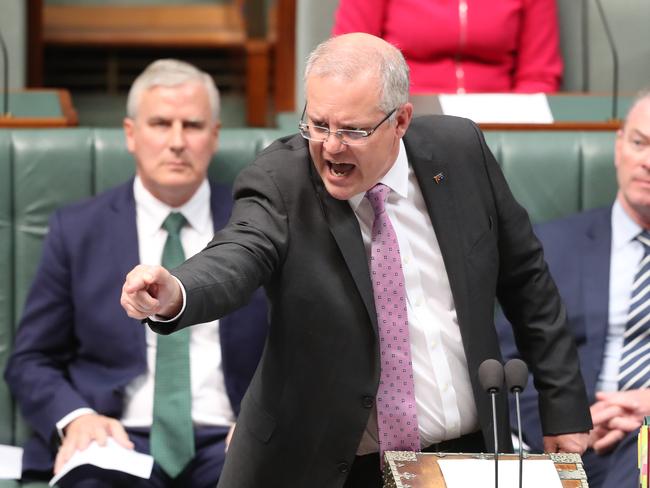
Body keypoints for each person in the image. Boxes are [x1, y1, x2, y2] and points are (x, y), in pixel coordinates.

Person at [121, 34, 590, 488]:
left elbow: (529, 283)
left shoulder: (460, 151)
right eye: (318, 124)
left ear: (401, 120)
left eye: (353, 130)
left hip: (460, 456)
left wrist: (563, 406)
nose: (331, 147)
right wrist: (177, 292)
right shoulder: (282, 179)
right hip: (330, 464)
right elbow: (238, 253)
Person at [4, 59, 268, 487]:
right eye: (161, 123)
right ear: (130, 134)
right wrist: (78, 417)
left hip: (232, 438)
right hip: (115, 440)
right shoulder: (77, 230)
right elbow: (31, 360)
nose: (177, 142)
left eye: (194, 125)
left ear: (215, 135)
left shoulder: (256, 228)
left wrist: (269, 418)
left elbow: (302, 349)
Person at [497, 92, 650, 488]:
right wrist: (563, 420)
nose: (647, 162)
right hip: (571, 446)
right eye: (639, 143)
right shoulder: (549, 247)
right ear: (618, 147)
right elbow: (503, 361)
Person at [332, 0, 562, 94]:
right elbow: (351, 65)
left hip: (499, 126)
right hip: (403, 122)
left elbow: (539, 76)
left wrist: (510, 131)